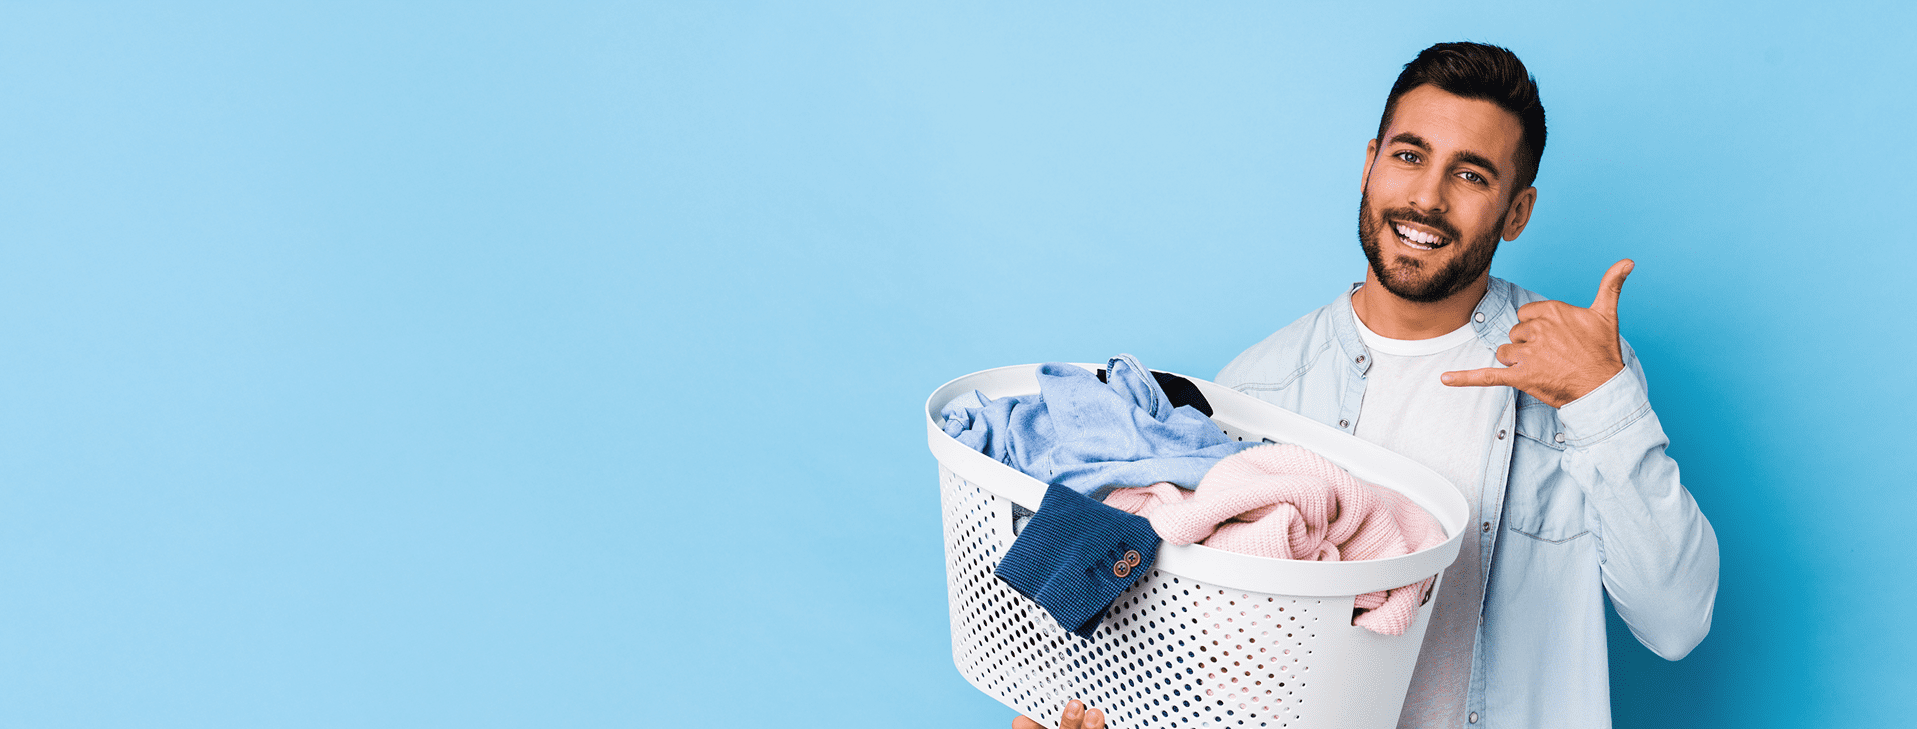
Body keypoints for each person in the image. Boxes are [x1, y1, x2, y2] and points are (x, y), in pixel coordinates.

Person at [1014, 41, 1717, 729]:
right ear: (1368, 163)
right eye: (1408, 156)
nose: (1426, 197)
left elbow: (1675, 621)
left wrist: (1602, 399)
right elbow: (1217, 664)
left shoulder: (1580, 371)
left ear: (1516, 212)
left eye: (1470, 175)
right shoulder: (1257, 387)